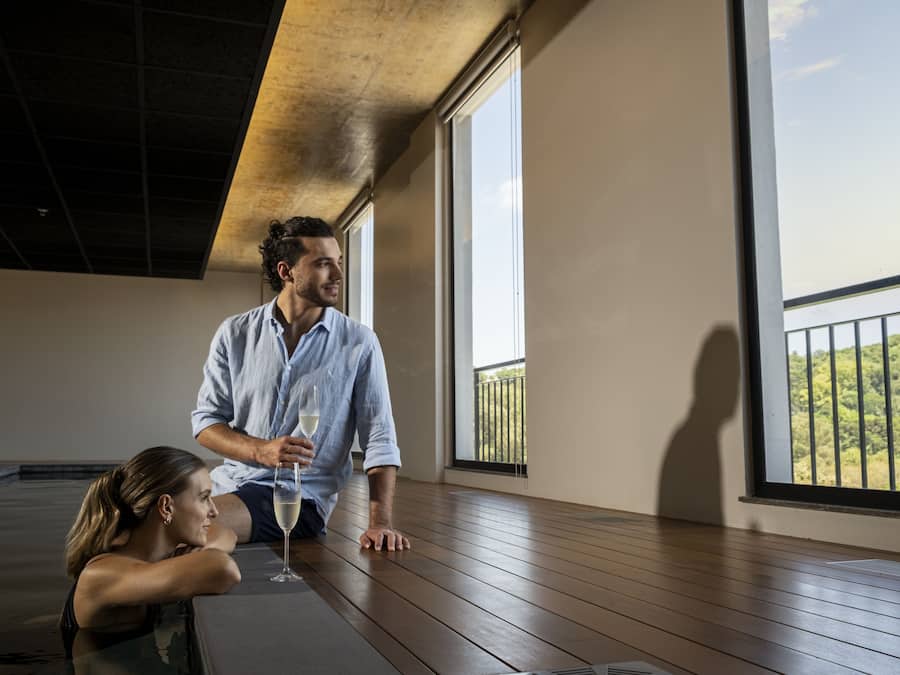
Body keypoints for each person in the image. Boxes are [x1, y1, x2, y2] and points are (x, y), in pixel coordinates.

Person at [191, 216, 410, 551]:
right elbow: (207, 423)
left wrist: (380, 523)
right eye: (323, 264)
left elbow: (379, 435)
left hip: (301, 497)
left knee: (191, 527)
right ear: (286, 271)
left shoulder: (359, 342)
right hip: (225, 484)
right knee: (138, 514)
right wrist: (260, 451)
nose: (338, 274)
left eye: (338, 263)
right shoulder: (234, 333)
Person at [61, 446, 240, 657]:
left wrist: (195, 555)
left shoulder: (148, 561)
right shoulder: (101, 575)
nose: (214, 511)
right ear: (166, 507)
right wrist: (198, 559)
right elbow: (223, 569)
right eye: (203, 497)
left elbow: (226, 534)